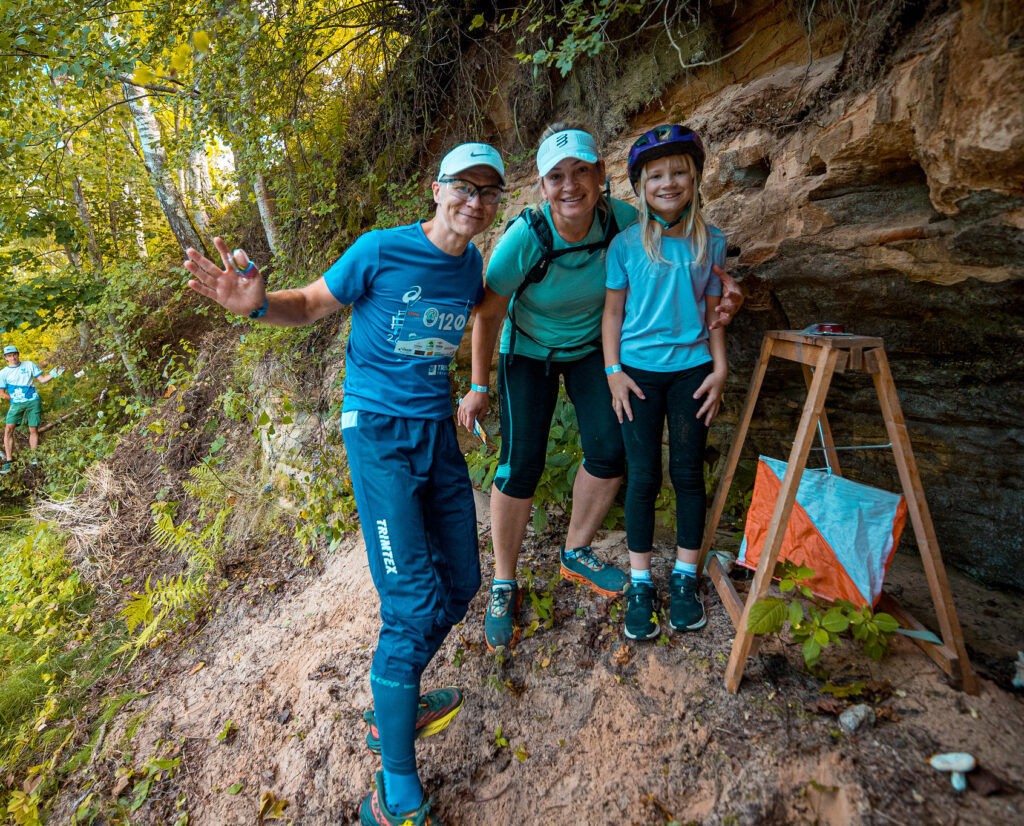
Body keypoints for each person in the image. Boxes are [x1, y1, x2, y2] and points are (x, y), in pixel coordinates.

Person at [184, 143, 505, 826]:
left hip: (437, 434)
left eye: (487, 191)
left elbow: (485, 311)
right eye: (463, 187)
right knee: (413, 604)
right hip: (379, 435)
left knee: (466, 581)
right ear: (435, 187)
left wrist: (478, 385)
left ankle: (396, 700)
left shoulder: (472, 263)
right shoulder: (381, 251)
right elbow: (305, 305)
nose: (474, 201)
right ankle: (393, 789)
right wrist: (254, 304)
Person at [457, 124, 742, 650]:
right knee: (521, 465)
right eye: (556, 177)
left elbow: (686, 246)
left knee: (610, 451)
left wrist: (726, 292)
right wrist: (479, 384)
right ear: (542, 187)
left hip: (592, 351)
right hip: (528, 352)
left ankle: (575, 551)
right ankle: (503, 579)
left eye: (581, 172)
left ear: (601, 177)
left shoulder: (624, 221)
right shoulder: (527, 236)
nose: (570, 186)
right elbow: (489, 309)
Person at [602, 124, 726, 641]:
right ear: (641, 186)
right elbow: (612, 315)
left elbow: (715, 311)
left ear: (695, 178)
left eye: (679, 172)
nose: (668, 182)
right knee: (644, 475)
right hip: (637, 374)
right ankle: (639, 583)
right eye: (656, 175)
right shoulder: (627, 245)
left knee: (688, 473)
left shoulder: (712, 242)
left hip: (693, 372)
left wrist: (720, 369)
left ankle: (683, 578)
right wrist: (613, 372)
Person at [1, 345, 63, 474]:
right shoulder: (3, 373)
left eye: (14, 354)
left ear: (18, 354)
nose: (13, 357)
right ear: (5, 357)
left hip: (33, 401)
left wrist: (53, 374)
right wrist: (11, 397)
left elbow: (42, 380)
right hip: (16, 404)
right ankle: (9, 461)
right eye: (9, 356)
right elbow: (1, 392)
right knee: (8, 429)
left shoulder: (29, 365)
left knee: (33, 428)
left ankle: (34, 458)